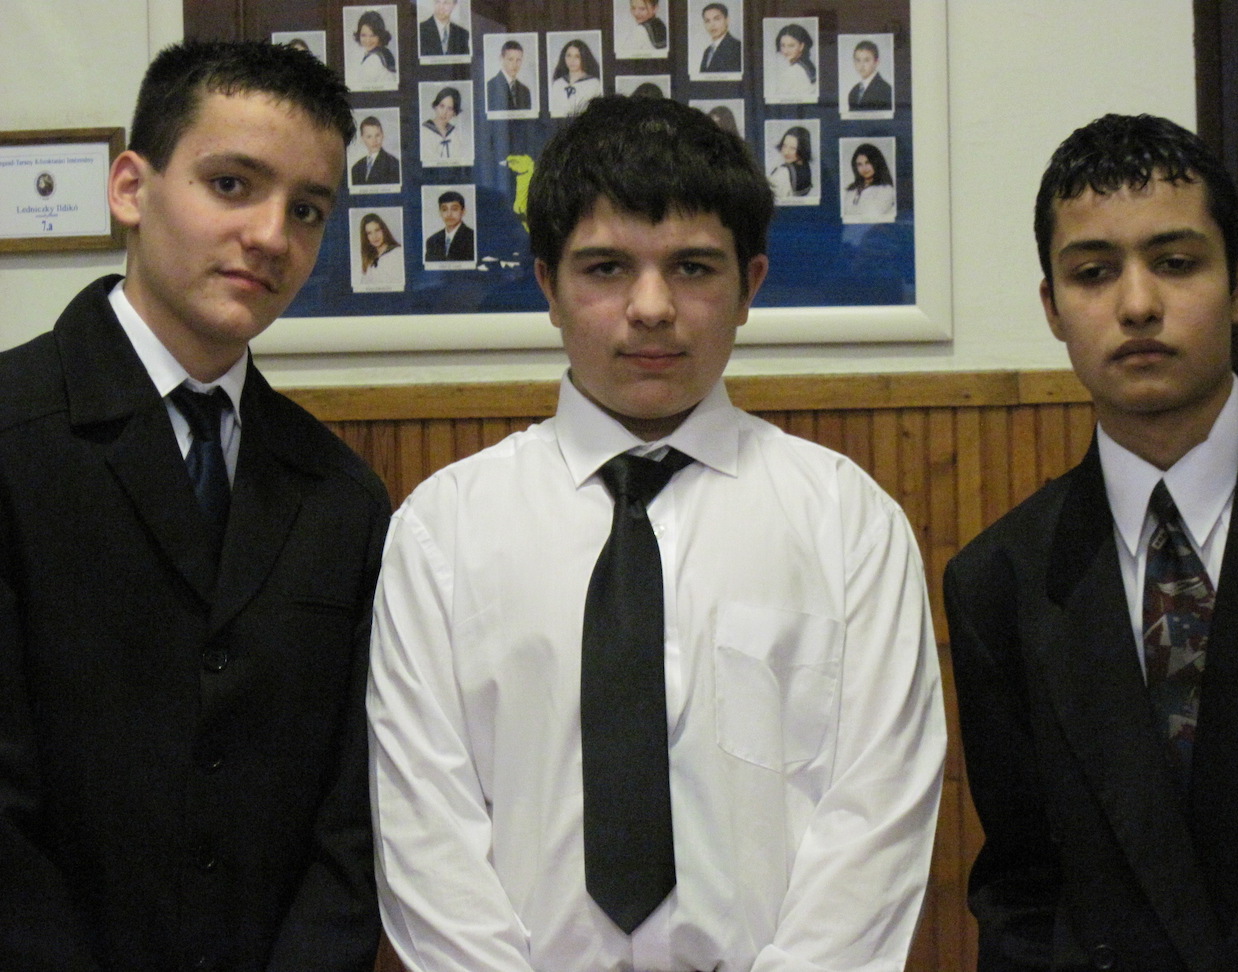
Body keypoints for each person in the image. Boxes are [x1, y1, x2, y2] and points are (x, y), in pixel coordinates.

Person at [369, 93, 944, 972]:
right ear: (546, 285)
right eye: (605, 268)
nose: (650, 307)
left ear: (750, 285)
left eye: (692, 267)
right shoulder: (441, 533)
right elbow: (426, 835)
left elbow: (877, 815)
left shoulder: (847, 522)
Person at [0, 39, 390, 972]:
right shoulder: (13, 437)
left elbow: (352, 818)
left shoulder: (341, 494)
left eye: (307, 210)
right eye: (231, 185)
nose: (272, 236)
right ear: (131, 188)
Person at [945, 113, 1238, 970]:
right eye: (1094, 273)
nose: (1137, 304)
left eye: (1175, 262)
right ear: (1053, 308)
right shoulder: (999, 580)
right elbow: (1023, 891)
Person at [842, 142, 895, 221]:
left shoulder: (886, 189)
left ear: (877, 163)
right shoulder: (851, 189)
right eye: (859, 164)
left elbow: (871, 215)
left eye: (868, 163)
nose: (864, 168)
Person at [550, 38, 601, 117]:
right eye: (569, 56)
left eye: (577, 56)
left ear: (584, 58)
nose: (572, 60)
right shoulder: (558, 84)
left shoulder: (594, 84)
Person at [423, 190, 475, 262]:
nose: (449, 214)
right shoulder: (432, 241)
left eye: (454, 209)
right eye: (444, 209)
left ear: (463, 211)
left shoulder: (472, 238)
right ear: (440, 212)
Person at [770, 22, 816, 102]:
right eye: (783, 45)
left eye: (791, 46)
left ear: (801, 46)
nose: (785, 51)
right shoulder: (808, 66)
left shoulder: (793, 72)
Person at [351, 115, 401, 185]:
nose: (374, 141)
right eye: (369, 137)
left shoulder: (393, 164)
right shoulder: (356, 168)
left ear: (382, 135)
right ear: (362, 139)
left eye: (377, 135)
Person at [422, 86, 467, 164]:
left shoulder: (455, 133)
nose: (444, 112)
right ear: (436, 106)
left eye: (450, 108)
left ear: (454, 113)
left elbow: (460, 158)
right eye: (442, 106)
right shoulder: (424, 131)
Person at [353, 10, 397, 89]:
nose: (368, 40)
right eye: (363, 35)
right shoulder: (385, 53)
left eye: (373, 35)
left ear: (380, 35)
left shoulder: (373, 60)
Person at [846, 39, 892, 112]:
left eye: (866, 60)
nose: (861, 65)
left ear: (876, 62)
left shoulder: (886, 90)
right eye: (858, 60)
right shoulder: (853, 92)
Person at [358, 212, 403, 287]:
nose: (374, 236)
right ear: (366, 237)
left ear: (384, 230)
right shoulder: (369, 260)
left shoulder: (398, 253)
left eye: (377, 230)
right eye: (369, 233)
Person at [769, 124, 813, 200]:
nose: (786, 152)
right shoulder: (806, 167)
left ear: (802, 149)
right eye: (784, 146)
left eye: (793, 148)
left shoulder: (783, 172)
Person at [487, 39, 532, 111]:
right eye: (510, 59)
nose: (515, 64)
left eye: (518, 60)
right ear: (501, 59)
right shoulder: (490, 87)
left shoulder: (525, 91)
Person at [699, 2, 741, 73]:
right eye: (707, 21)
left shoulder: (738, 47)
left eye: (717, 19)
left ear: (727, 20)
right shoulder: (707, 51)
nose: (712, 25)